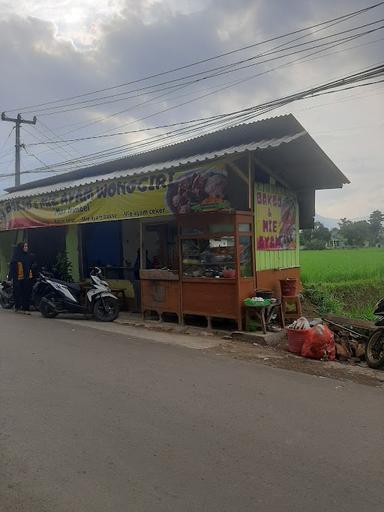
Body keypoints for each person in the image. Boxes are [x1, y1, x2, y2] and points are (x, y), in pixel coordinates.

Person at [9, 242, 34, 314]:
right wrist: (11, 278)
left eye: (27, 246)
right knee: (18, 292)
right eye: (25, 246)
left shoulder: (29, 256)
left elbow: (32, 265)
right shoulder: (15, 257)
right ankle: (17, 306)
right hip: (18, 278)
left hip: (27, 278)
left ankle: (26, 308)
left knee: (27, 293)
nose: (26, 248)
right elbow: (12, 269)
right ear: (21, 248)